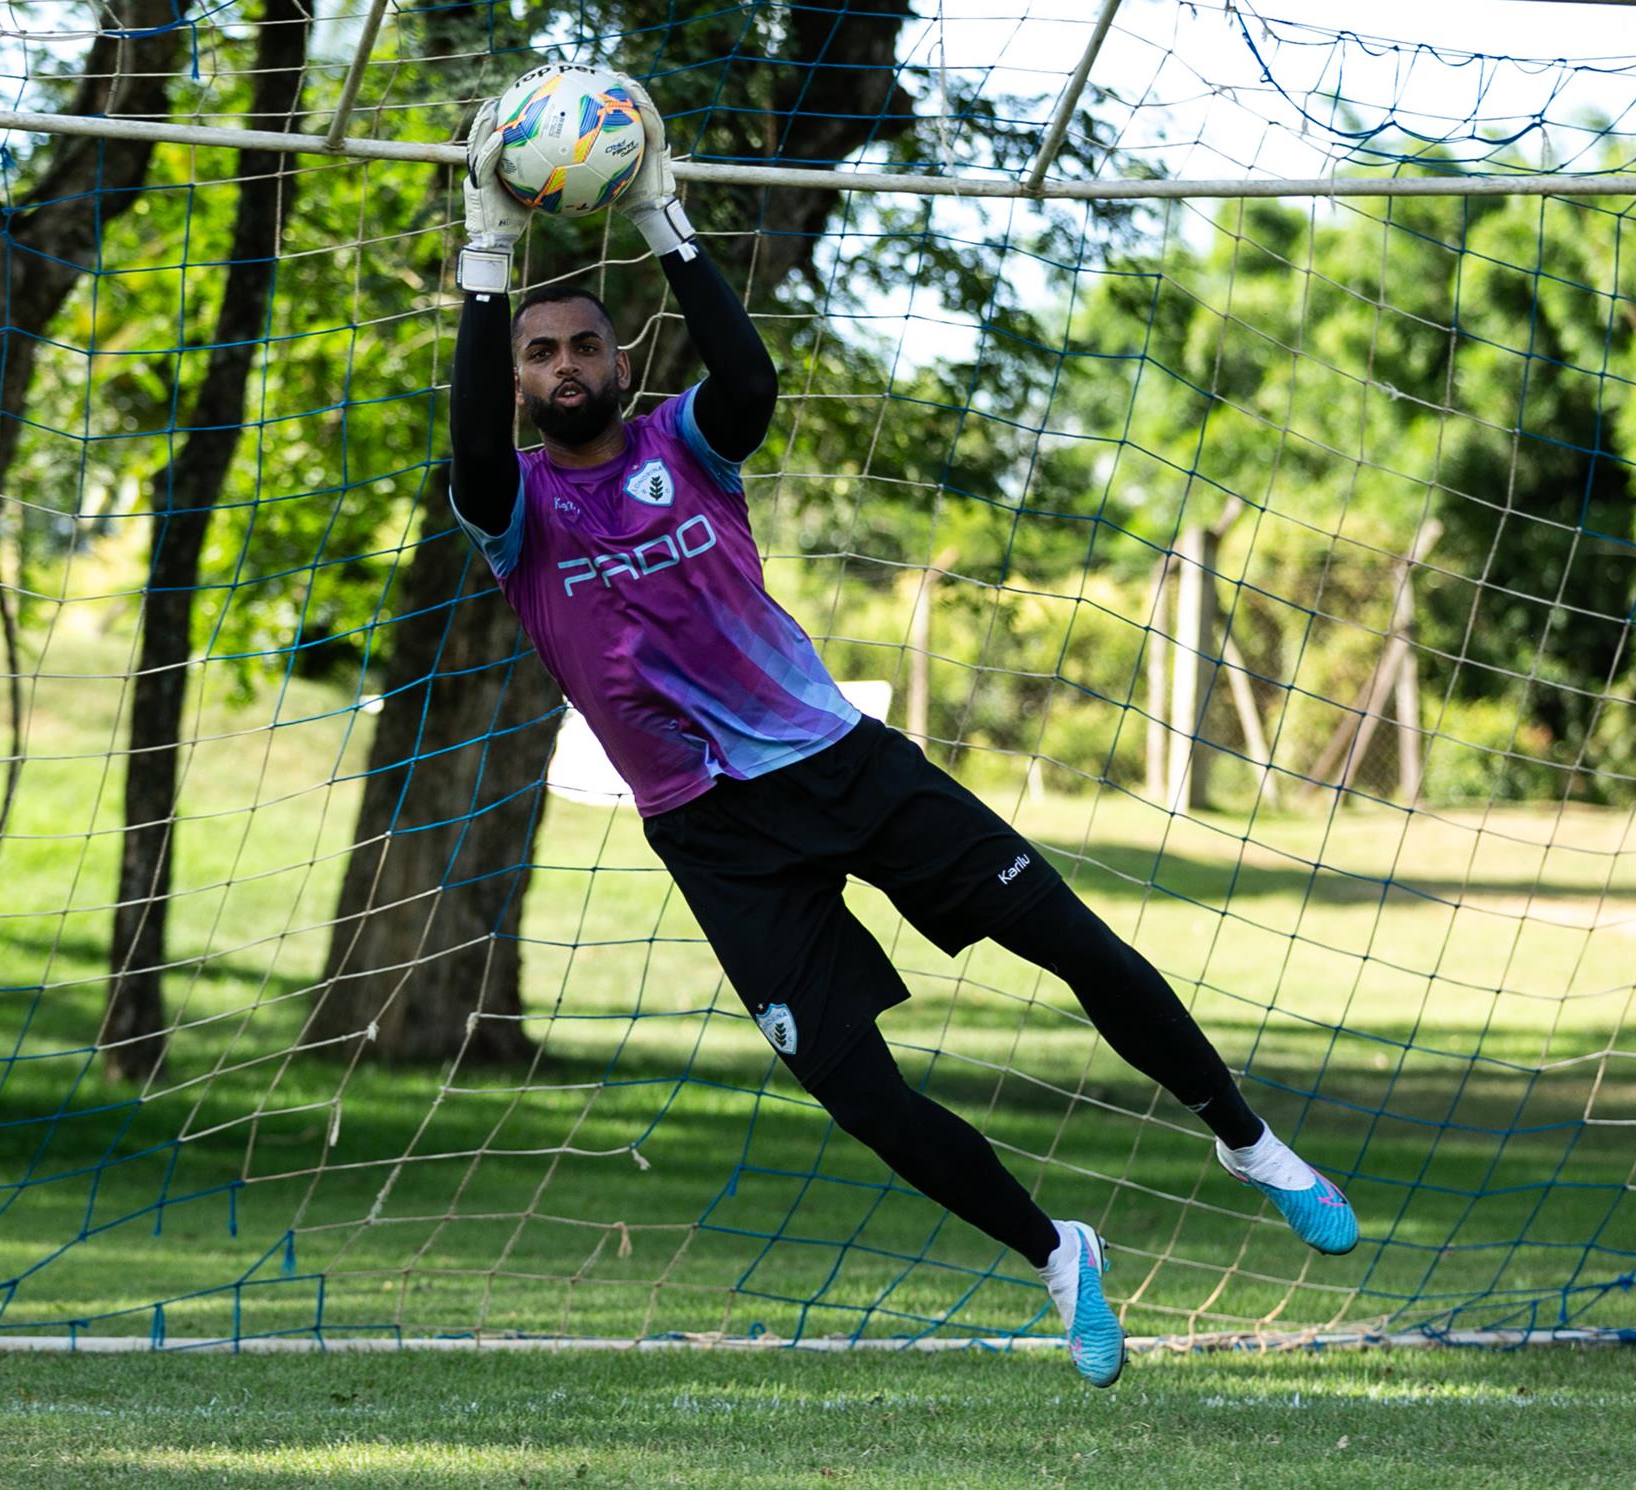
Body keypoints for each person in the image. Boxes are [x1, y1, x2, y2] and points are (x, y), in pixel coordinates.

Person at [446, 75, 1358, 1388]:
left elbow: (749, 375)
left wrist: (662, 215)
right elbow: (471, 440)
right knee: (857, 1090)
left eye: (583, 345)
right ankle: (1057, 1251)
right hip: (712, 833)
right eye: (540, 355)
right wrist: (487, 246)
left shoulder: (688, 444)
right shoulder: (515, 514)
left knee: (1073, 945)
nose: (563, 367)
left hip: (842, 760)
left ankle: (1247, 1139)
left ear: (623, 362)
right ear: (523, 384)